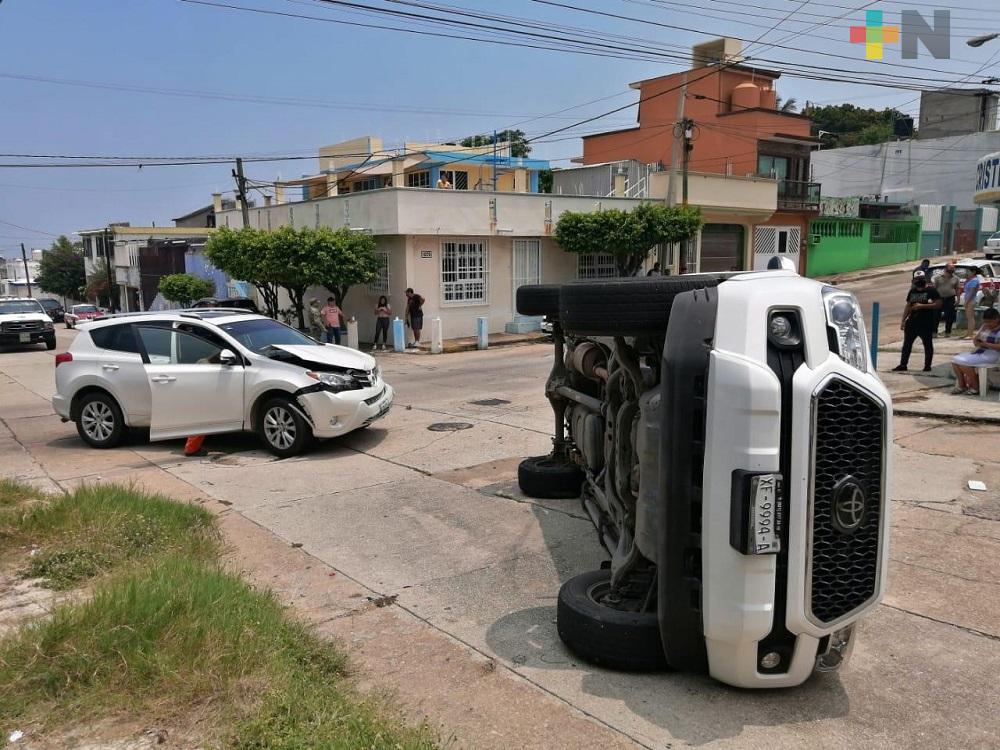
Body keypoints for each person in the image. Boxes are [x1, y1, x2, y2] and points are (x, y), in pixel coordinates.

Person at [892, 270, 942, 373]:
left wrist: (922, 306)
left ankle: (927, 366)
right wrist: (903, 320)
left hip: (926, 323)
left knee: (927, 345)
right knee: (907, 344)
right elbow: (908, 305)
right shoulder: (912, 291)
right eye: (918, 279)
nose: (920, 281)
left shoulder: (931, 290)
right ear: (914, 280)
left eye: (922, 279)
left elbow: (938, 304)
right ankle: (903, 364)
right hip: (912, 322)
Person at [950, 308, 1000, 395]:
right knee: (955, 360)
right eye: (986, 321)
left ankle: (975, 386)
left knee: (964, 363)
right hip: (980, 351)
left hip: (992, 354)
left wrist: (987, 344)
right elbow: (976, 340)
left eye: (990, 322)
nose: (988, 324)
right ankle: (962, 385)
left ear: (997, 319)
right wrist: (977, 341)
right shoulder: (984, 326)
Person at [933, 266, 959, 337]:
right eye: (949, 270)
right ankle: (934, 332)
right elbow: (934, 289)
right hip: (939, 299)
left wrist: (958, 299)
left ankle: (948, 332)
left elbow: (957, 289)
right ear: (945, 270)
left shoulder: (956, 278)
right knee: (936, 316)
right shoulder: (938, 278)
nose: (950, 272)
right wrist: (933, 299)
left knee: (949, 316)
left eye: (952, 270)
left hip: (950, 299)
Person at [961, 268, 983, 339]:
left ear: (973, 272)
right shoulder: (970, 280)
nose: (967, 273)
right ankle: (968, 333)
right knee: (968, 317)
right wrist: (967, 278)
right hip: (968, 299)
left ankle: (970, 334)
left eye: (968, 271)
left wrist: (966, 302)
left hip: (971, 300)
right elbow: (965, 288)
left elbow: (972, 292)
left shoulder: (974, 280)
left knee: (970, 318)